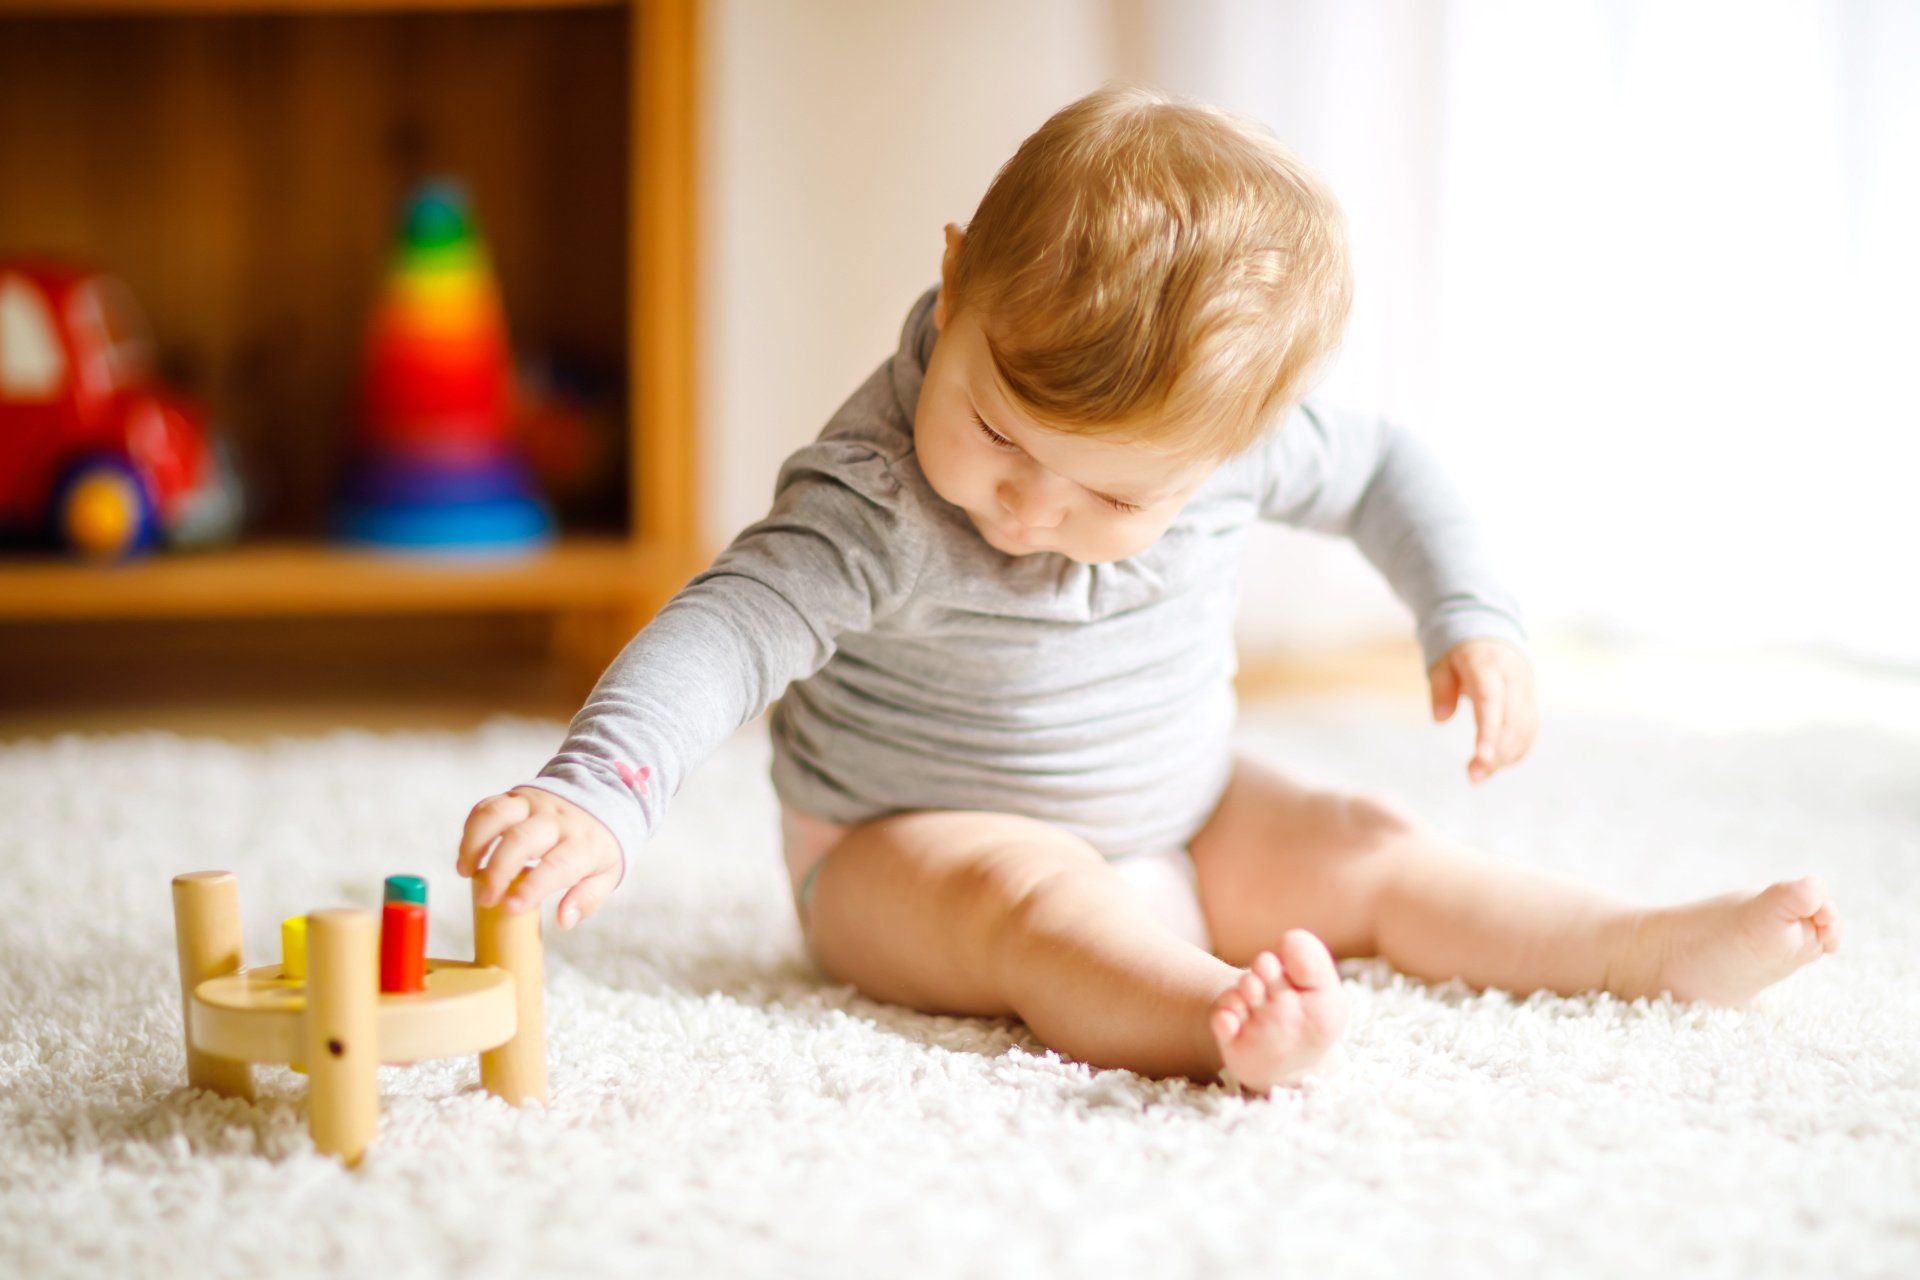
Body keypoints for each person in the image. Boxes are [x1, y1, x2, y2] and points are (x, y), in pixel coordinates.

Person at [455, 84, 1841, 1094]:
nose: (1032, 506)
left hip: (1179, 804)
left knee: (1364, 838)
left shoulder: (1231, 436)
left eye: (1113, 495)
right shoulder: (877, 500)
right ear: (956, 280)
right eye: (996, 429)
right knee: (1037, 904)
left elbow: (1387, 472)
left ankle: (1641, 947)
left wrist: (1470, 615)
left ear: (1228, 446)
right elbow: (727, 631)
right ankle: (1209, 1016)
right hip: (898, 852)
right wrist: (599, 791)